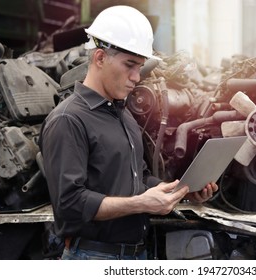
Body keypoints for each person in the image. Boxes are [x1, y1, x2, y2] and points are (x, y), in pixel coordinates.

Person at [39, 5, 218, 260]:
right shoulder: (68, 119)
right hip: (92, 257)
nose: (136, 77)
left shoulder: (123, 114)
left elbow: (139, 178)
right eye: (130, 65)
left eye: (141, 66)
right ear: (100, 58)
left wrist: (181, 191)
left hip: (136, 254)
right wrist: (142, 204)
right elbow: (69, 205)